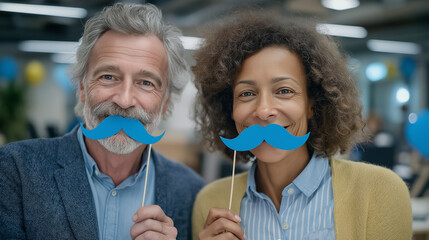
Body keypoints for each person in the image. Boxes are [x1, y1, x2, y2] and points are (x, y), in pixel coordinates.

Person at [192, 11, 412, 240]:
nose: (264, 111)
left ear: (311, 104)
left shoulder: (379, 192)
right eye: (247, 93)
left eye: (284, 91)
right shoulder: (210, 202)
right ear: (230, 109)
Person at [0, 3, 204, 240]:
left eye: (146, 82)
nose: (125, 100)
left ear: (166, 102)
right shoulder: (15, 170)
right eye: (108, 77)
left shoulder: (191, 191)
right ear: (83, 89)